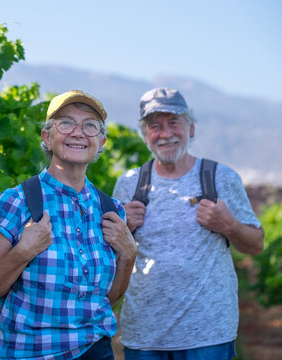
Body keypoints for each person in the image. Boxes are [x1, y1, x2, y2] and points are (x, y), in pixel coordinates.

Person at [0, 90, 137, 360]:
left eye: (90, 125)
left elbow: (104, 302)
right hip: (29, 353)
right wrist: (22, 252)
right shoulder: (18, 201)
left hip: (94, 351)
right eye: (66, 122)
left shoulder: (112, 211)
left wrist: (129, 256)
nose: (78, 132)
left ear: (101, 141)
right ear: (47, 137)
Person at [112, 87, 264, 360]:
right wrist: (124, 230)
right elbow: (111, 255)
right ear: (144, 134)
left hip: (208, 336)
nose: (165, 133)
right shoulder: (129, 183)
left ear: (191, 128)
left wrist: (229, 225)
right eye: (154, 126)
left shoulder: (220, 178)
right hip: (144, 335)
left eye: (174, 123)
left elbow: (256, 244)